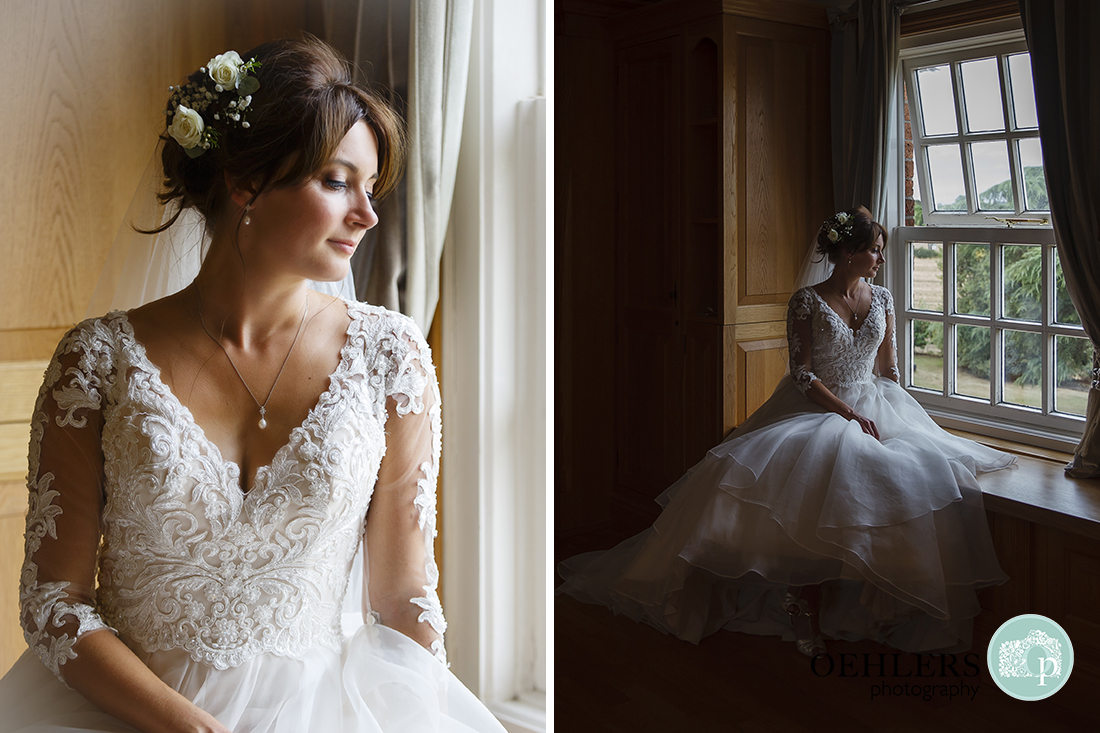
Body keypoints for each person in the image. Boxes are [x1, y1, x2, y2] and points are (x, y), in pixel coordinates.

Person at [0, 36, 506, 733]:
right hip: (125, 713)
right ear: (245, 182)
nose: (368, 214)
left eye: (370, 187)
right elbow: (53, 599)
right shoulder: (97, 364)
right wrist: (187, 725)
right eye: (338, 181)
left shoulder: (391, 357)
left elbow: (403, 597)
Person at [558, 206, 1016, 657]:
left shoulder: (883, 298)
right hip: (816, 408)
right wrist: (848, 415)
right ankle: (800, 605)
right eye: (873, 251)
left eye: (879, 251)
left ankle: (875, 606)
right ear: (848, 253)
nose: (879, 259)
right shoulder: (807, 301)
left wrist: (903, 409)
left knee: (919, 470)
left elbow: (888, 366)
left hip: (876, 403)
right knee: (812, 486)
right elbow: (801, 374)